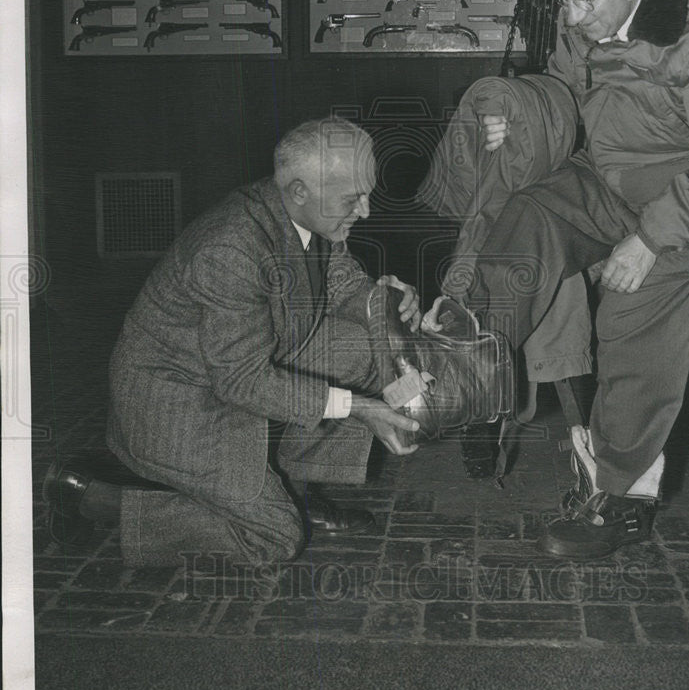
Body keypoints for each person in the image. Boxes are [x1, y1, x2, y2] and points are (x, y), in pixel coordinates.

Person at [476, 0, 689, 559]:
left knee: (629, 314)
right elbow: (557, 90)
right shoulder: (584, 13)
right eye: (564, 1)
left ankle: (622, 497)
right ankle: (475, 366)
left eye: (581, 1)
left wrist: (648, 238)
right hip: (610, 177)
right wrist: (514, 117)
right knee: (528, 215)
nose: (571, 18)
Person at [43, 118, 421, 567]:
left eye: (367, 193)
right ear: (300, 191)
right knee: (276, 538)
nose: (366, 210)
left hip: (235, 369)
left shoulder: (303, 211)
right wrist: (360, 406)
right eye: (353, 199)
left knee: (357, 345)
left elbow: (339, 280)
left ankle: (293, 489)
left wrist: (383, 301)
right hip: (179, 401)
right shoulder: (230, 250)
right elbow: (241, 382)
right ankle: (94, 498)